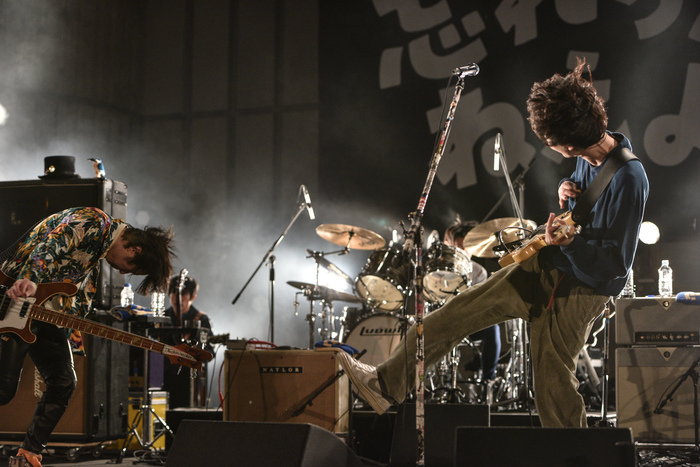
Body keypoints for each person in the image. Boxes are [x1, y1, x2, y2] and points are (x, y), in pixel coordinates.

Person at [336, 58, 649, 428]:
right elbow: (587, 215)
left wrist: (568, 243)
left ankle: (573, 455)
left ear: (568, 144)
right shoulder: (586, 159)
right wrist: (570, 196)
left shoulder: (630, 177)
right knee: (453, 314)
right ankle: (385, 385)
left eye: (553, 143)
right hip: (548, 265)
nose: (552, 148)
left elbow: (614, 267)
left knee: (551, 380)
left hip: (583, 290)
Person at [0, 207, 174, 467]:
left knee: (63, 382)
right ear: (133, 250)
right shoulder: (94, 221)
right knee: (3, 389)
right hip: (18, 299)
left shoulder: (97, 251)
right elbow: (51, 246)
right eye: (129, 267)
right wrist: (30, 279)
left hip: (42, 314)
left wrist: (73, 331)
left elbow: (74, 299)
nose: (123, 272)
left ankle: (29, 452)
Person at [443, 220, 501, 381]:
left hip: (466, 323)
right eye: (459, 246)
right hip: (443, 321)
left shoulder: (478, 271)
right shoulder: (442, 268)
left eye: (466, 246)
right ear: (452, 246)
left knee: (493, 329)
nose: (463, 250)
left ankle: (488, 380)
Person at [161, 274, 213, 409]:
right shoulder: (161, 318)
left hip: (191, 382)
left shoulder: (202, 319)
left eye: (183, 294)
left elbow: (209, 352)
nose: (177, 298)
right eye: (173, 293)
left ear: (192, 297)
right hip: (165, 379)